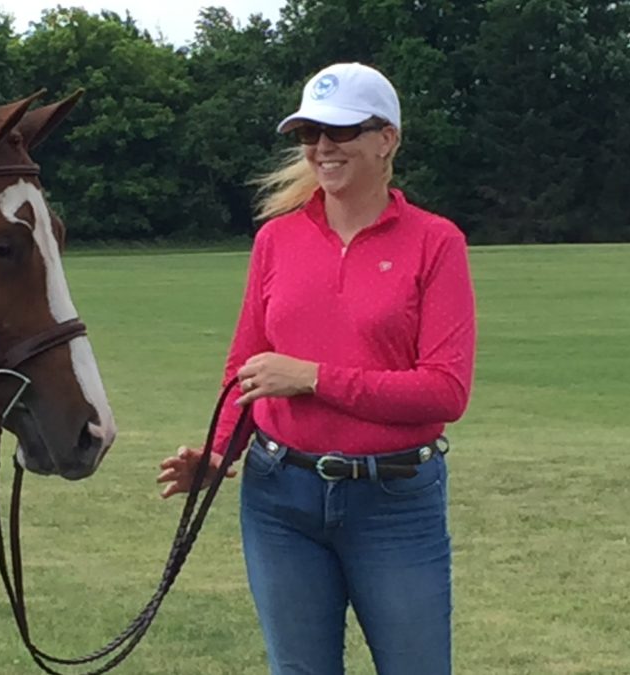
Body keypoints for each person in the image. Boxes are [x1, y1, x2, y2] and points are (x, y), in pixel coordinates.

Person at [156, 62, 476, 675]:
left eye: (341, 130)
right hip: (281, 497)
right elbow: (246, 365)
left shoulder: (436, 243)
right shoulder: (276, 241)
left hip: (396, 502)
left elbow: (445, 391)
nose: (323, 148)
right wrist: (221, 453)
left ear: (388, 140)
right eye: (309, 135)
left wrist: (313, 378)